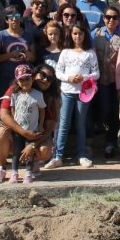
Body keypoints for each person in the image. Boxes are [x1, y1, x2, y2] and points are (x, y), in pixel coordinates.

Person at [0, 64, 59, 183]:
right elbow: (4, 114)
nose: (45, 80)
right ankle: (1, 168)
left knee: (45, 150)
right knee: (1, 132)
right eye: (43, 75)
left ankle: (33, 163)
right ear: (34, 75)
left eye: (50, 79)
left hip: (36, 135)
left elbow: (49, 127)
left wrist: (32, 144)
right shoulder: (15, 90)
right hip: (17, 134)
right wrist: (23, 132)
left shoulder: (49, 98)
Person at [46, 20, 100, 168]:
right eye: (75, 33)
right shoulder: (65, 52)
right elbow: (58, 72)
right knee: (64, 124)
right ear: (70, 34)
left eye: (80, 33)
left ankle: (81, 155)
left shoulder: (90, 53)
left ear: (85, 35)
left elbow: (96, 74)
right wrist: (69, 78)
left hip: (84, 93)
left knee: (81, 124)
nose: (78, 36)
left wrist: (85, 78)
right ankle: (58, 156)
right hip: (67, 92)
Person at [3, 64, 46, 184]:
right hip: (18, 130)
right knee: (17, 152)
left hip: (32, 129)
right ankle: (14, 173)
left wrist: (41, 125)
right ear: (17, 81)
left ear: (32, 79)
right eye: (21, 80)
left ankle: (28, 173)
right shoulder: (15, 95)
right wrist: (14, 126)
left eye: (27, 79)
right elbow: (13, 111)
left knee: (30, 152)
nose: (25, 82)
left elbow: (42, 110)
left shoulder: (38, 95)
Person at [91, 6, 120, 157]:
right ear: (103, 18)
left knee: (114, 112)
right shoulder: (95, 34)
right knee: (103, 111)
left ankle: (111, 143)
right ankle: (99, 138)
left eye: (114, 17)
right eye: (108, 17)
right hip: (98, 80)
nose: (111, 20)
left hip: (116, 81)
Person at [0, 5, 36, 100]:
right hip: (4, 79)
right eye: (10, 16)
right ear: (6, 20)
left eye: (17, 15)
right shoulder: (0, 35)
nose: (14, 19)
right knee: (4, 106)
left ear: (20, 18)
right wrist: (11, 55)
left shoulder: (28, 35)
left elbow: (34, 58)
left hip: (23, 80)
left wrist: (29, 56)